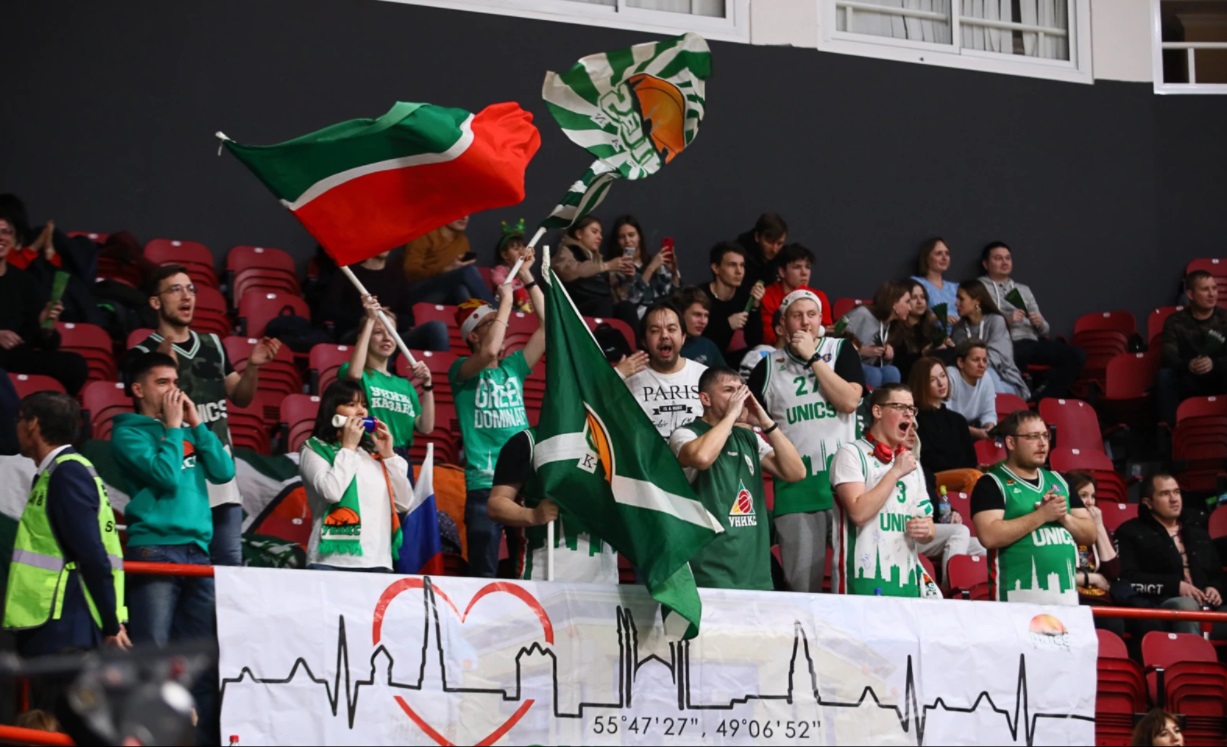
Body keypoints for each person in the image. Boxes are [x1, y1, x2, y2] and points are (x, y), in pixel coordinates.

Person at [111, 352, 235, 746]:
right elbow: (165, 476)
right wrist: (173, 429)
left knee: (198, 662)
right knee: (154, 656)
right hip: (155, 550)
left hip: (198, 552)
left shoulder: (185, 429)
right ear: (138, 389)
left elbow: (224, 472)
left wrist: (196, 425)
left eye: (175, 382)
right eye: (162, 382)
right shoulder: (127, 433)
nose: (173, 390)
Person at [132, 264, 282, 567]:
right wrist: (166, 366)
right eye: (176, 289)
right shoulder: (142, 354)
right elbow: (147, 415)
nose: (186, 296)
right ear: (156, 302)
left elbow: (241, 397)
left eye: (191, 289)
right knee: (183, 565)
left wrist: (253, 367)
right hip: (180, 471)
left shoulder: (214, 344)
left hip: (218, 466)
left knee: (227, 565)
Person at [3, 393, 130, 712]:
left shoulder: (67, 473)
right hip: (61, 623)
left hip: (66, 628)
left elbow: (91, 554)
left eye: (19, 419)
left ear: (32, 424)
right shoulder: (61, 471)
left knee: (59, 720)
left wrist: (111, 624)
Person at [749, 289, 865, 593]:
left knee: (854, 588)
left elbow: (849, 402)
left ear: (822, 321)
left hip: (847, 491)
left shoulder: (841, 350)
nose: (805, 322)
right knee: (802, 590)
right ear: (783, 324)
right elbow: (745, 421)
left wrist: (813, 357)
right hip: (797, 492)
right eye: (796, 316)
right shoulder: (767, 367)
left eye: (811, 315)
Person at [449, 253, 546, 578]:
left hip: (522, 481)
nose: (503, 328)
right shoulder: (461, 372)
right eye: (492, 323)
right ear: (473, 336)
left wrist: (528, 276)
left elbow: (549, 327)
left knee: (526, 572)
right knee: (483, 574)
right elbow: (490, 350)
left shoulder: (513, 367)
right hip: (484, 484)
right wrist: (505, 302)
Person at [669, 366, 805, 590]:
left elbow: (796, 472)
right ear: (705, 399)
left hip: (756, 573)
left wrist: (765, 422)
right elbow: (702, 457)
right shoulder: (686, 434)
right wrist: (732, 415)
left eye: (741, 389)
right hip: (709, 572)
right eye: (728, 390)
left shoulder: (748, 437)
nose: (738, 396)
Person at [971, 410, 1095, 605]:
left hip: (1066, 603)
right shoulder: (991, 483)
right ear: (1011, 442)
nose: (1042, 443)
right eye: (1033, 436)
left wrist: (1064, 517)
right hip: (1015, 602)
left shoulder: (1061, 481)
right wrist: (1042, 515)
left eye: (1045, 435)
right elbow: (989, 536)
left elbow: (1090, 534)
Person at [830, 384, 936, 597]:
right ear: (877, 411)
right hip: (861, 585)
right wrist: (895, 472)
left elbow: (929, 525)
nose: (909, 414)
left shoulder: (911, 463)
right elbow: (858, 513)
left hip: (907, 585)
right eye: (900, 407)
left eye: (911, 409)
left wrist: (926, 531)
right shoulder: (851, 454)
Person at [298, 380, 415, 571]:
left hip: (377, 560)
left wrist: (389, 455)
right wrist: (348, 447)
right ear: (333, 412)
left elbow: (404, 502)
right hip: (331, 561)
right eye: (351, 404)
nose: (361, 411)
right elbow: (331, 492)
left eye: (364, 405)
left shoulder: (374, 453)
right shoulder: (313, 448)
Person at [488, 428, 618, 583]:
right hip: (542, 580)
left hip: (604, 582)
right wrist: (533, 515)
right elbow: (496, 504)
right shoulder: (528, 441)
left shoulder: (611, 442)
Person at [1114, 473, 1225, 637]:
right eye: (1165, 494)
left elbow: (1217, 574)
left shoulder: (1197, 531)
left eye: (1177, 492)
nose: (1174, 499)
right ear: (1148, 502)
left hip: (1208, 605)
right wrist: (1175, 585)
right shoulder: (1130, 532)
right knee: (1186, 606)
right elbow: (1127, 578)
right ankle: (1191, 654)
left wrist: (1215, 588)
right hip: (1161, 604)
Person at [978, 241, 1085, 399]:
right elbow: (977, 324)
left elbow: (1045, 330)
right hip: (1005, 343)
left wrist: (1039, 322)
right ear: (986, 264)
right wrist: (1006, 320)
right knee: (1017, 353)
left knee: (1076, 355)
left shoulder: (1023, 289)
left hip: (1032, 341)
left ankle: (1044, 399)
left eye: (1008, 258)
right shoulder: (978, 288)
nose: (1005, 262)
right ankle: (1018, 399)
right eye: (998, 258)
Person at [0, 212, 87, 395]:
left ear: (14, 240)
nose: (2, 237)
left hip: (16, 357)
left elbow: (46, 343)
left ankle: (49, 410)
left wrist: (46, 327)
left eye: (6, 232)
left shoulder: (25, 281)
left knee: (74, 365)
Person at [340, 298, 435, 463]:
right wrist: (370, 319)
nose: (387, 338)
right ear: (363, 337)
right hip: (368, 452)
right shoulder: (353, 371)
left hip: (401, 456)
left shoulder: (405, 385)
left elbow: (425, 427)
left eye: (392, 332)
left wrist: (427, 385)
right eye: (378, 332)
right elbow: (354, 375)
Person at [320, 250, 450, 350]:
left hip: (394, 335)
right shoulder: (348, 273)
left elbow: (409, 318)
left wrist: (392, 317)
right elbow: (329, 310)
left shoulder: (397, 275)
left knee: (437, 327)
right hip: (357, 333)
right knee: (380, 333)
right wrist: (367, 317)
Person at [615, 302, 707, 439]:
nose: (664, 335)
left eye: (671, 329)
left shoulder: (704, 376)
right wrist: (616, 375)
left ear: (683, 338)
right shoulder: (629, 377)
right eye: (655, 331)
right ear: (644, 341)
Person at [1158, 269, 1227, 424]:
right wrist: (1188, 365)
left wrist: (1213, 363)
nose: (1212, 294)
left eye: (1214, 288)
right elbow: (1168, 356)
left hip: (1218, 376)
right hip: (1188, 376)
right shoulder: (1174, 321)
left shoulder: (1225, 318)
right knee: (1164, 376)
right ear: (1190, 294)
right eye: (1205, 289)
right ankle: (1173, 430)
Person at [909, 356, 982, 493]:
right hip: (930, 480)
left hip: (964, 475)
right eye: (932, 379)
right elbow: (925, 460)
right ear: (921, 384)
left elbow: (971, 460)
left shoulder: (958, 420)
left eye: (943, 376)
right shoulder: (914, 420)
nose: (941, 383)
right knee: (972, 476)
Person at [1064, 471, 1124, 634]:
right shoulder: (1057, 528)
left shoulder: (1099, 527)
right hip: (1072, 600)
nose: (1090, 502)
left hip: (1100, 600)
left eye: (1093, 496)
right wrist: (1091, 578)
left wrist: (1098, 526)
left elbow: (1113, 572)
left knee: (1116, 624)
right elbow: (1053, 576)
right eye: (1083, 496)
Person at [550, 216, 637, 328]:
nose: (600, 237)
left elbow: (617, 295)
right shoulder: (566, 250)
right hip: (573, 309)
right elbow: (568, 271)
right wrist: (607, 266)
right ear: (579, 234)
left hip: (603, 306)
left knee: (626, 307)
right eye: (594, 232)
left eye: (600, 233)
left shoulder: (598, 259)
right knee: (602, 304)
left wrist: (628, 279)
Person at [950, 280, 1030, 399]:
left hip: (1003, 380)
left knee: (986, 373)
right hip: (969, 381)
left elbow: (998, 356)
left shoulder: (996, 321)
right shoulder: (958, 329)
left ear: (977, 301)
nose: (956, 303)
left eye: (961, 299)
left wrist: (972, 366)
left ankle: (997, 409)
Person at [402, 215, 495, 305]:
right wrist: (446, 269)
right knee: (467, 271)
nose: (464, 217)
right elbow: (410, 271)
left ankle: (485, 314)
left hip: (447, 291)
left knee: (461, 288)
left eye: (467, 213)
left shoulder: (463, 240)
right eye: (458, 212)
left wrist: (458, 268)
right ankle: (495, 309)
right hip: (420, 292)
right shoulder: (425, 234)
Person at [605, 215, 680, 319]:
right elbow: (630, 303)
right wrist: (650, 269)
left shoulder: (655, 261)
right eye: (622, 237)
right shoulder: (616, 269)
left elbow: (673, 294)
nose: (627, 240)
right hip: (641, 319)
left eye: (631, 235)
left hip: (665, 314)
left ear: (639, 236)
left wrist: (674, 273)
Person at [839, 280, 912, 388]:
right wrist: (860, 349)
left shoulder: (891, 325)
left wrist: (887, 356)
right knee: (873, 374)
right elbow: (838, 336)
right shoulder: (862, 313)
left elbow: (880, 363)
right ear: (894, 303)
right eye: (907, 302)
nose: (910, 308)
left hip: (869, 366)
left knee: (892, 372)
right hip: (847, 364)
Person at [758, 244, 831, 345]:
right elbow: (769, 337)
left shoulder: (819, 296)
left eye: (807, 267)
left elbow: (826, 333)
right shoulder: (768, 295)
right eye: (797, 267)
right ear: (782, 272)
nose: (804, 273)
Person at [700, 243, 764, 357]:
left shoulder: (744, 296)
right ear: (716, 268)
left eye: (742, 265)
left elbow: (755, 342)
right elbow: (696, 340)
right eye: (732, 265)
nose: (739, 271)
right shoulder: (700, 296)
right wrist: (727, 325)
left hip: (731, 360)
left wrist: (755, 306)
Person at [896, 279, 951, 381]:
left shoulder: (933, 329)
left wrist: (949, 347)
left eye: (922, 297)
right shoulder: (896, 330)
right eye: (914, 298)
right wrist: (923, 353)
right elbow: (900, 366)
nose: (920, 302)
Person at [946, 339, 998, 441]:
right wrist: (976, 433)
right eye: (976, 360)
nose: (982, 365)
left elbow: (989, 413)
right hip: (950, 433)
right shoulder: (949, 376)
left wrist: (990, 427)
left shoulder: (986, 377)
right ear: (960, 362)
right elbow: (947, 418)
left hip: (973, 430)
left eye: (984, 360)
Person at [911, 237, 959, 330]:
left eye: (947, 254)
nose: (944, 258)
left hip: (959, 334)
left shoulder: (955, 287)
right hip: (929, 334)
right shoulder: (916, 284)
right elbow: (912, 315)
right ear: (927, 258)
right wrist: (938, 317)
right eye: (938, 254)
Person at [672, 286, 726, 367]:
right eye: (697, 315)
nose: (703, 321)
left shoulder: (708, 346)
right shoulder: (667, 348)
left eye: (706, 316)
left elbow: (725, 374)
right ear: (679, 314)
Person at [734, 212, 789, 289]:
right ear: (757, 237)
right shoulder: (736, 254)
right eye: (770, 242)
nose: (774, 249)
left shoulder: (785, 256)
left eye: (779, 243)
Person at [490, 220, 533, 313]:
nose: (521, 252)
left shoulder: (525, 271)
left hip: (523, 307)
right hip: (505, 304)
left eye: (523, 249)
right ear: (505, 255)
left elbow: (530, 286)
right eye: (516, 249)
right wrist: (517, 285)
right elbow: (498, 280)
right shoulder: (501, 269)